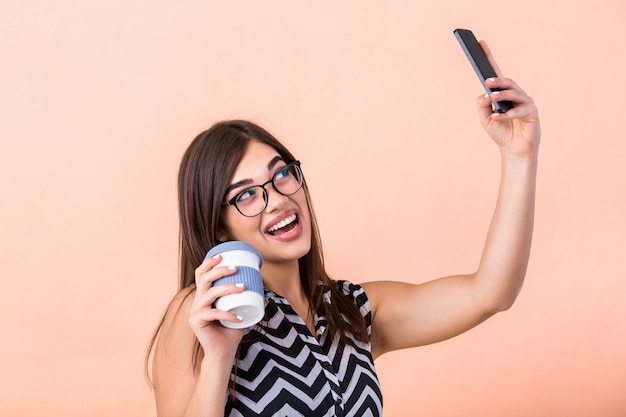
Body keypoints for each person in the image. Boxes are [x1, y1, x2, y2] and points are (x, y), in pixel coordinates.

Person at [147, 41, 540, 417]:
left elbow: (490, 293)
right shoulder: (197, 317)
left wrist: (519, 155)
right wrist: (218, 358)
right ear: (218, 227)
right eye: (247, 195)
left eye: (281, 174)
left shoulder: (351, 312)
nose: (278, 198)